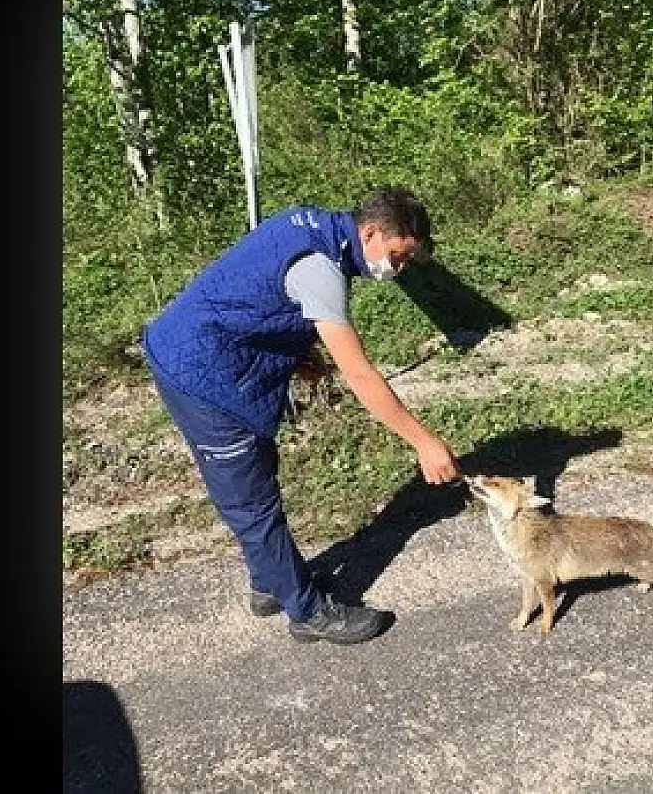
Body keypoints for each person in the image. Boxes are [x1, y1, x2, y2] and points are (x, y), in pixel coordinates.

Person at [142, 186, 462, 644]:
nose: (399, 268)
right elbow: (361, 375)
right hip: (199, 373)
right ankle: (307, 612)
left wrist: (300, 349)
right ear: (370, 231)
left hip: (210, 356)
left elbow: (264, 290)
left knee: (258, 473)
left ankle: (270, 583)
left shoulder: (317, 227)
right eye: (398, 256)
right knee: (250, 502)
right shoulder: (321, 269)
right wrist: (424, 442)